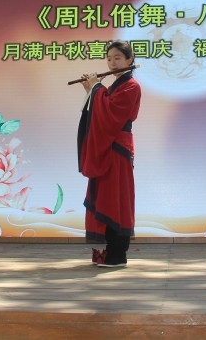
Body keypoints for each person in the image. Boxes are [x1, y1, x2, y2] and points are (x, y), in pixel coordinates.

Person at [77, 40, 141, 268]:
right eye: (109, 59)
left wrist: (96, 88)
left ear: (129, 60)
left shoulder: (131, 86)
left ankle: (117, 254)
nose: (112, 63)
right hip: (107, 147)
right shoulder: (115, 86)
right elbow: (102, 107)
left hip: (117, 148)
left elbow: (111, 113)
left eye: (118, 58)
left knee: (115, 198)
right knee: (105, 196)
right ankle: (107, 253)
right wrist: (91, 90)